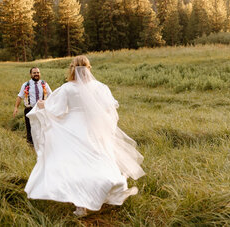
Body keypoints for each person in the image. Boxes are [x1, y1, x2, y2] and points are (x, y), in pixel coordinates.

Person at [24, 56, 145, 217]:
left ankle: (81, 205)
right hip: (95, 128)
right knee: (99, 158)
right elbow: (109, 109)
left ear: (72, 68)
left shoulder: (67, 88)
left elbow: (58, 110)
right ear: (89, 68)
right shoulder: (100, 87)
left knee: (76, 165)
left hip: (72, 129)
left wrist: (43, 105)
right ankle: (110, 184)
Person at [13, 67, 52, 146]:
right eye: (34, 73)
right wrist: (16, 107)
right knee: (30, 128)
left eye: (38, 72)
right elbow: (20, 96)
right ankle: (30, 145)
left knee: (42, 127)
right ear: (31, 74)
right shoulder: (26, 85)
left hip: (42, 109)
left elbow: (51, 95)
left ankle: (42, 144)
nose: (36, 74)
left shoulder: (44, 84)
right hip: (29, 109)